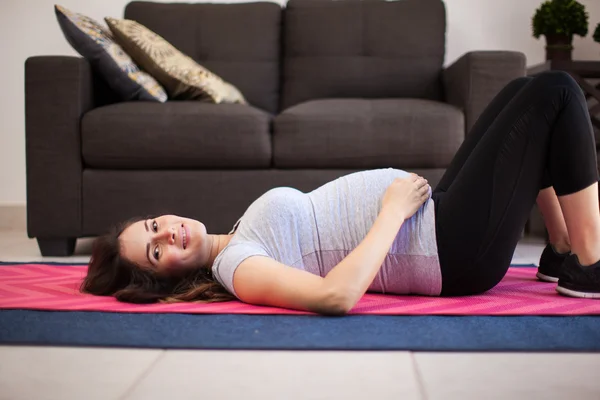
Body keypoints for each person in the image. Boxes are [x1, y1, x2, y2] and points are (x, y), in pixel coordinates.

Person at [82, 71, 600, 315]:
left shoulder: (233, 236)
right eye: (157, 251)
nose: (169, 233)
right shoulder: (236, 266)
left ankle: (560, 253)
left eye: (154, 226)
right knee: (555, 92)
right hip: (454, 253)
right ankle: (592, 263)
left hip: (440, 221)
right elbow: (335, 297)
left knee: (518, 90)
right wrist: (392, 213)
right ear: (165, 281)